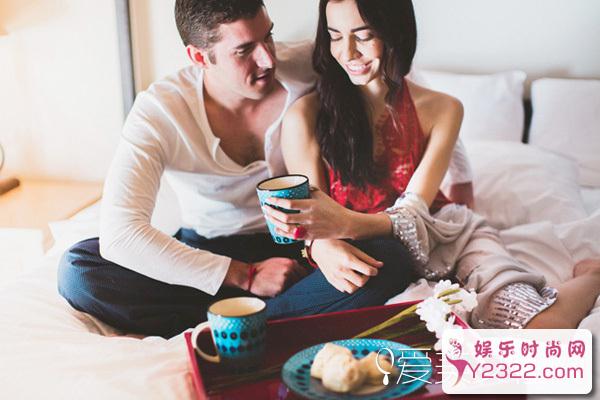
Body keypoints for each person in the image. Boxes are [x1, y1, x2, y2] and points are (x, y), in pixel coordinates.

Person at [56, 0, 472, 338]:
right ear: (199, 57)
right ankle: (269, 320)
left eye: (268, 36)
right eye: (243, 51)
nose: (267, 59)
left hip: (301, 244)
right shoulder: (161, 112)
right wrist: (245, 275)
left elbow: (403, 94)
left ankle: (232, 326)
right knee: (80, 271)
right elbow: (121, 234)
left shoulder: (311, 62)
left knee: (389, 259)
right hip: (211, 252)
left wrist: (463, 181)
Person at [265, 0, 600, 329]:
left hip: (446, 235)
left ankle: (593, 276)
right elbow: (315, 217)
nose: (347, 52)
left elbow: (413, 213)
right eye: (335, 36)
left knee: (541, 329)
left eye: (363, 36)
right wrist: (320, 243)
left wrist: (343, 223)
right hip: (371, 253)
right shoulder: (305, 116)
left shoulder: (443, 109)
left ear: (395, 33)